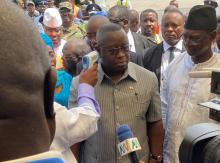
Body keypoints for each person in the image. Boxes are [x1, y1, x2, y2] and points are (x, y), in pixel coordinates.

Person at [69, 23, 164, 163]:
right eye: (113, 51)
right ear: (98, 50)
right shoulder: (81, 84)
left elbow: (155, 122)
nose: (121, 55)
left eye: (125, 48)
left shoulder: (148, 78)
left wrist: (155, 157)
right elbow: (75, 132)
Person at [161, 5, 220, 163]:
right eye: (185, 36)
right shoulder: (176, 64)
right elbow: (164, 106)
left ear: (212, 36)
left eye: (195, 38)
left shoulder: (218, 69)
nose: (188, 43)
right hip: (171, 154)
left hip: (206, 155)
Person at [143, 8, 185, 87]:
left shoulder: (191, 54)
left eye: (174, 26)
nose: (169, 29)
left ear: (183, 27)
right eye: (166, 25)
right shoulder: (149, 54)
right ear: (160, 27)